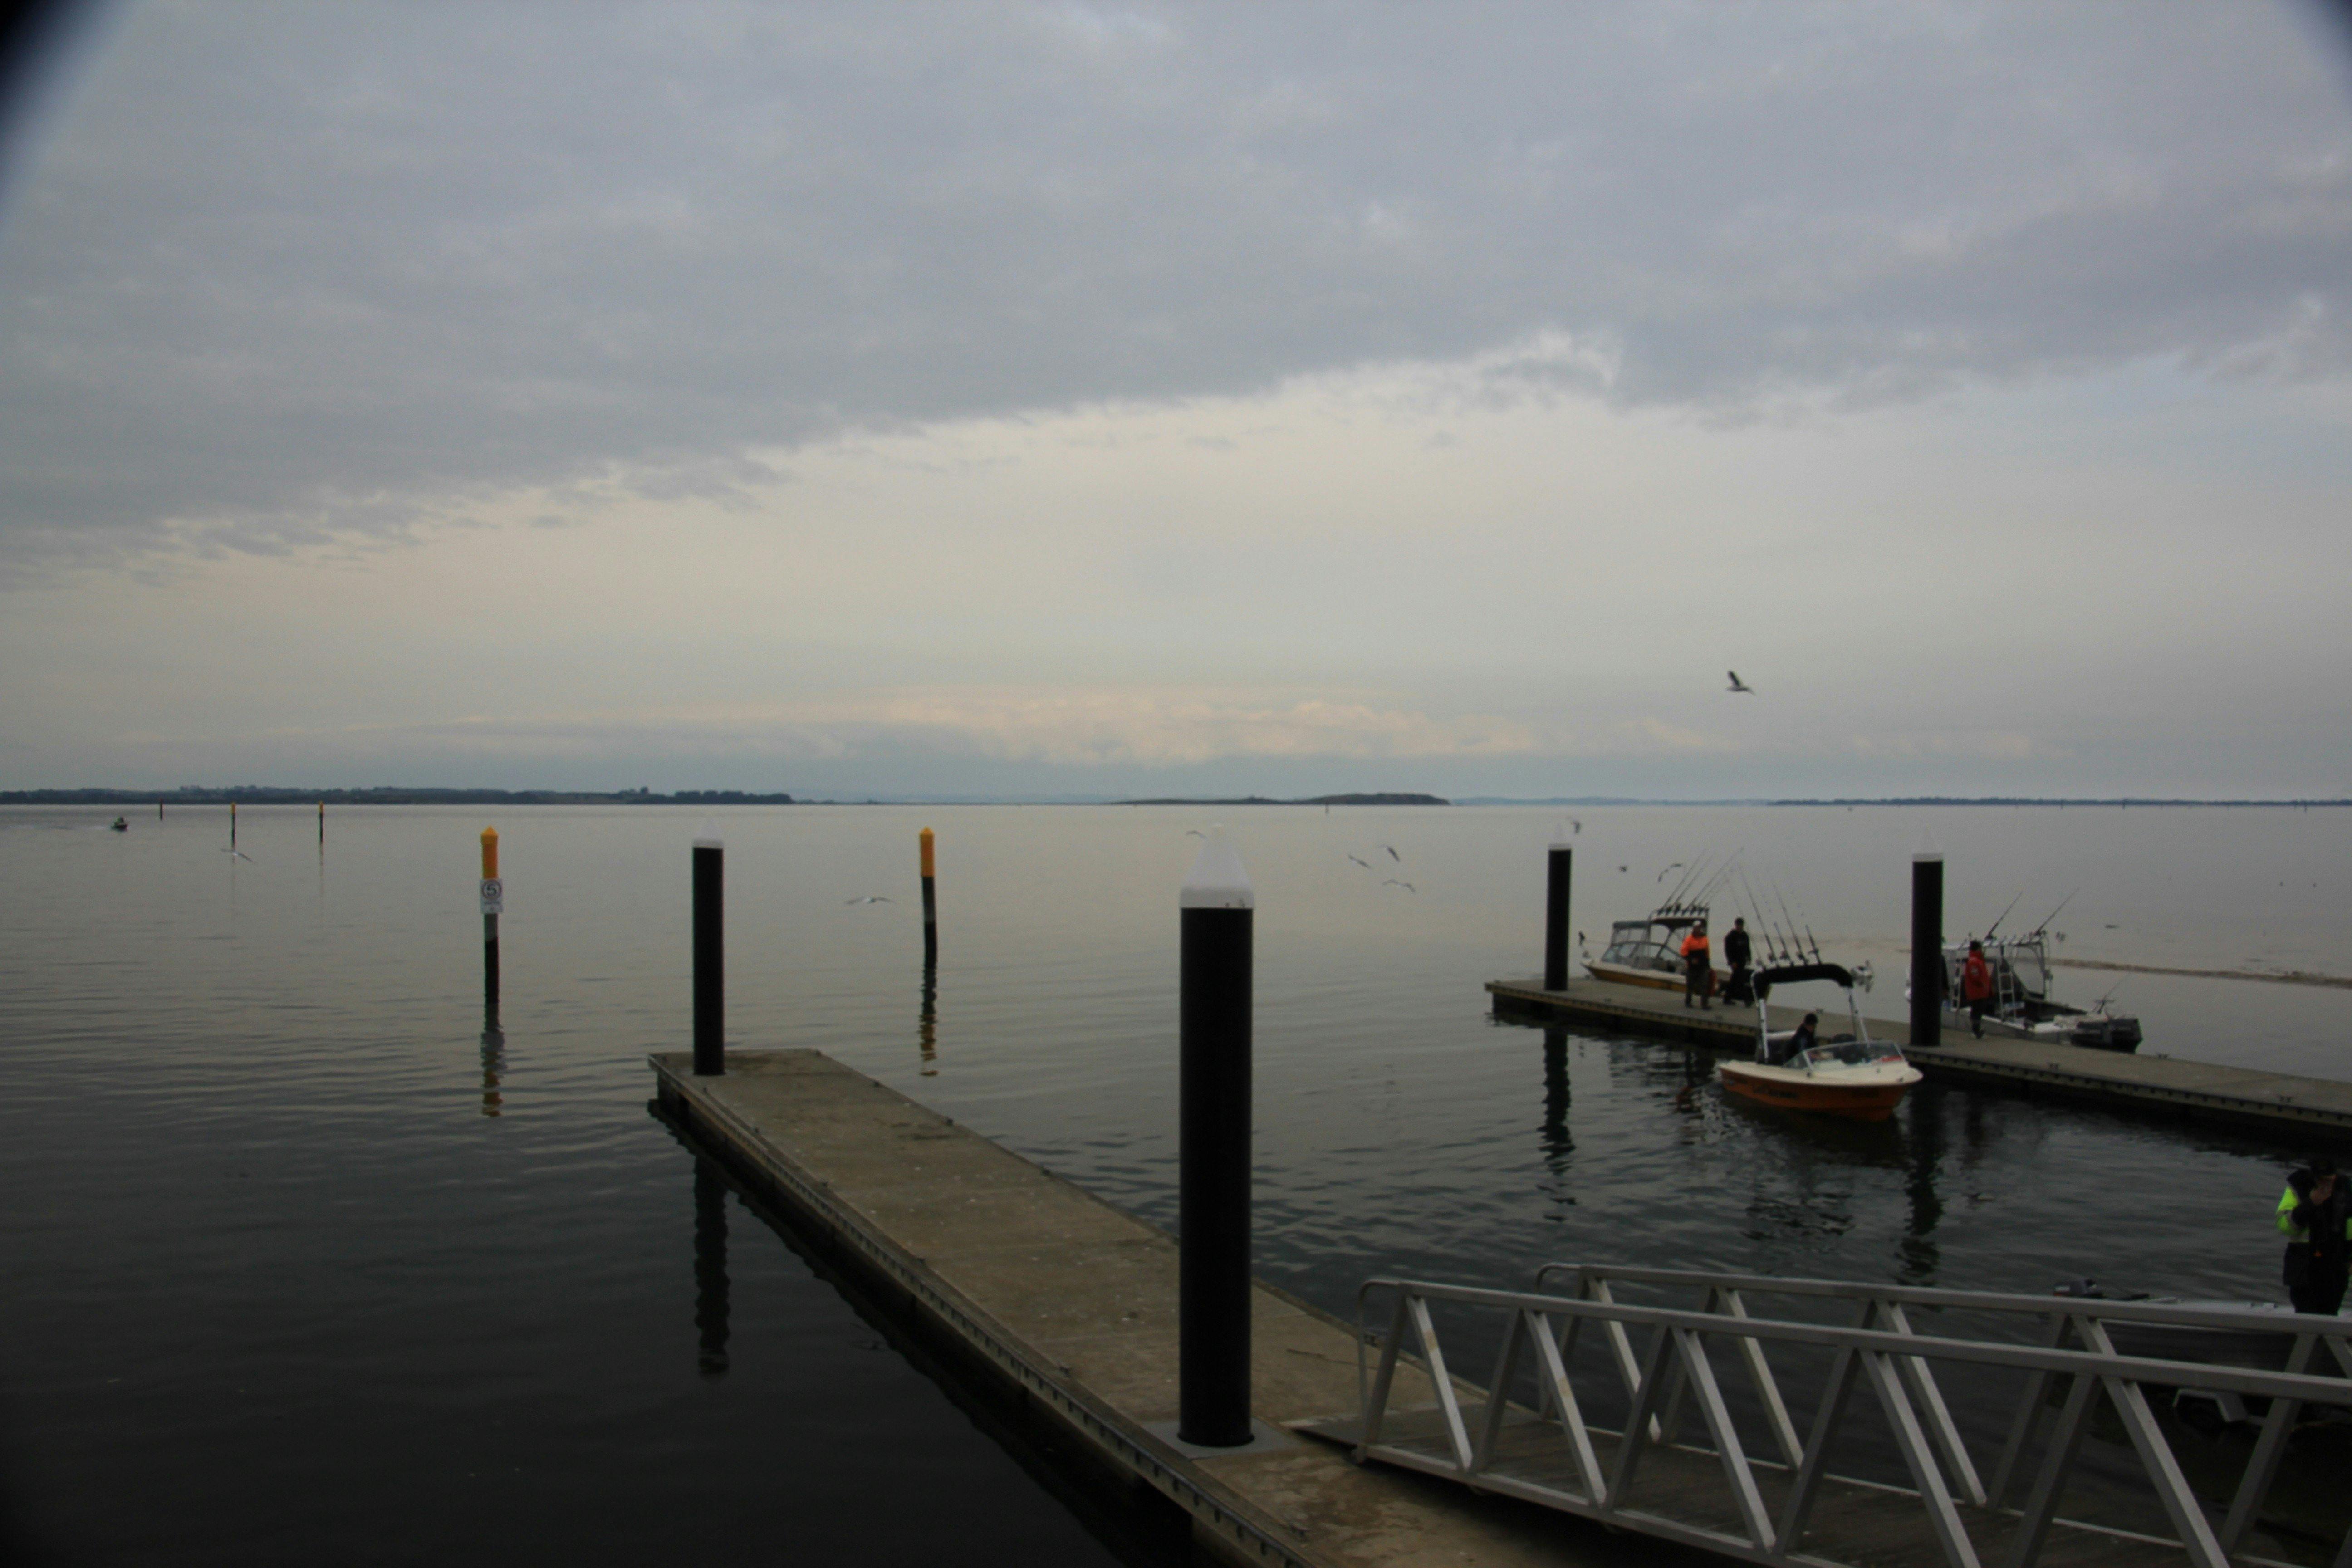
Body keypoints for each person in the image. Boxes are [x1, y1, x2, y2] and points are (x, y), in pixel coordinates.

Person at [2278, 1156, 2351, 1316]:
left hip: (2334, 1268)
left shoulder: (2346, 1190)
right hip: (2304, 1268)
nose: (2327, 1186)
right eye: (2322, 1181)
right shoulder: (2296, 1190)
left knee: (2330, 1314)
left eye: (2330, 1181)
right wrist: (2310, 1204)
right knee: (2306, 1314)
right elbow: (2285, 1227)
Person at [1959, 940, 1995, 1038]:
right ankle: (1975, 1031)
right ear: (1978, 949)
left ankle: (1976, 1030)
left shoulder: (1977, 960)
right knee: (1977, 1011)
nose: (1982, 950)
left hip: (1980, 992)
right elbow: (1976, 976)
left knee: (1978, 1011)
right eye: (1981, 948)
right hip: (1977, 992)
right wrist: (1983, 985)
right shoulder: (1974, 961)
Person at [1681, 920, 1712, 1009]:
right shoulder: (1689, 939)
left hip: (1703, 967)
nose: (1699, 929)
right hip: (1692, 967)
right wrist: (1691, 960)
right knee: (1690, 986)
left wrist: (1708, 965)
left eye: (1700, 928)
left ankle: (1704, 1004)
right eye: (1697, 928)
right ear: (1694, 929)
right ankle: (1688, 1002)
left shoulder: (1705, 939)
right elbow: (1683, 952)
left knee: (1704, 985)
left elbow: (1707, 952)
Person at [1722, 917, 1754, 1006]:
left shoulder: (1745, 935)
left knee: (1734, 980)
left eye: (1742, 925)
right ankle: (1747, 1000)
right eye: (1739, 925)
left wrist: (1749, 957)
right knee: (1741, 980)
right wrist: (1731, 962)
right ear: (1736, 925)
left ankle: (1727, 998)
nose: (1740, 927)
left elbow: (1748, 948)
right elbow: (1727, 951)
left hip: (1742, 961)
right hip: (1734, 962)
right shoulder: (1731, 936)